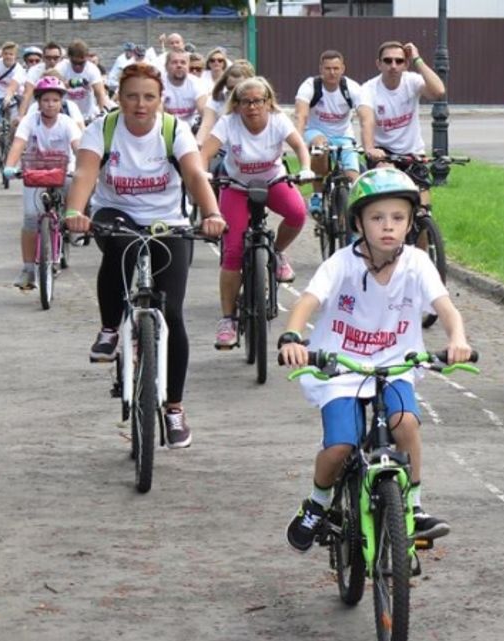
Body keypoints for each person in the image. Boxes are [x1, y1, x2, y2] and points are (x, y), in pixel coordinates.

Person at [277, 167, 472, 551]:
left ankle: (413, 508)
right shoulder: (342, 264)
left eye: (398, 218)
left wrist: (458, 338)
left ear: (410, 222)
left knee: (406, 424)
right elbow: (308, 301)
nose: (388, 227)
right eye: (377, 218)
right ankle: (317, 503)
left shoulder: (417, 262)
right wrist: (292, 336)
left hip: (395, 364)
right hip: (341, 368)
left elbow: (445, 306)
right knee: (341, 446)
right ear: (358, 223)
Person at [63, 62, 226, 448]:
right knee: (119, 245)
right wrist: (75, 212)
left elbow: (194, 175)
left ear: (160, 100)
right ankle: (109, 328)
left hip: (167, 221)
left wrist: (213, 214)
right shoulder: (102, 129)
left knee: (171, 314)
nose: (140, 104)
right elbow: (85, 174)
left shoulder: (174, 130)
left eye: (149, 97)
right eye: (132, 96)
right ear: (119, 97)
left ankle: (173, 408)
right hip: (114, 214)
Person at [201, 76, 313, 348]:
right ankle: (228, 319)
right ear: (237, 105)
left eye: (258, 101)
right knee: (233, 251)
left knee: (298, 213)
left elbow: (299, 146)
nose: (253, 107)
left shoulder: (278, 120)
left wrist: (305, 167)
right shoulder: (228, 123)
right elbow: (205, 153)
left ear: (268, 102)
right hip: (236, 186)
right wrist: (203, 172)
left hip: (272, 180)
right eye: (246, 102)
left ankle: (276, 251)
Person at [1, 77, 80, 290]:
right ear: (38, 101)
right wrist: (9, 166)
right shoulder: (30, 120)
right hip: (35, 173)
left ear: (61, 102)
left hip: (64, 171)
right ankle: (28, 268)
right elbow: (18, 144)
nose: (51, 104)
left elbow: (78, 147)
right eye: (46, 100)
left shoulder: (67, 123)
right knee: (29, 218)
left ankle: (71, 224)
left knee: (74, 190)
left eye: (55, 100)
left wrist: (83, 167)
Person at [361, 40, 445, 206]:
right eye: (388, 61)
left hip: (412, 152)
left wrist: (417, 59)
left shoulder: (412, 81)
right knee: (391, 197)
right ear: (379, 64)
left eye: (399, 61)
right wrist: (370, 149)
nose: (393, 65)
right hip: (383, 153)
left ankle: (423, 227)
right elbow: (366, 121)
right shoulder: (368, 89)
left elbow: (439, 91)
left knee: (423, 208)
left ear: (406, 64)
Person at [293, 50, 368, 216]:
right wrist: (298, 142)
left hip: (343, 134)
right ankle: (318, 195)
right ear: (321, 69)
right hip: (315, 131)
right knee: (321, 147)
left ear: (343, 69)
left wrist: (369, 144)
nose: (332, 72)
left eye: (336, 68)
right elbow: (301, 115)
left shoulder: (352, 88)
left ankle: (353, 216)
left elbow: (366, 117)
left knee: (352, 176)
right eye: (328, 68)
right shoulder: (310, 86)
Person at [195, 60, 254, 147]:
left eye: (240, 88)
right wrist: (198, 144)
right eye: (231, 88)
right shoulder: (216, 100)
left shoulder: (257, 102)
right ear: (225, 85)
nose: (234, 93)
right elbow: (206, 126)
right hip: (222, 149)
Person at [54, 40, 114, 123]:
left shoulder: (92, 69)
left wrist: (103, 114)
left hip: (87, 116)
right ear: (69, 57)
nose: (78, 66)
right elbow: (53, 89)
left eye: (81, 63)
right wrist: (71, 83)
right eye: (74, 63)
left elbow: (100, 94)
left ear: (86, 57)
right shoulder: (61, 68)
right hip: (66, 117)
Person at [0, 41, 26, 170]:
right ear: (2, 54)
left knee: (16, 125)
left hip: (11, 98)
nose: (8, 56)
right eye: (5, 53)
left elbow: (12, 87)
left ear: (15, 56)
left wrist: (7, 97)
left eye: (11, 54)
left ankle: (11, 149)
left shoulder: (19, 70)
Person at [161, 50, 207, 130]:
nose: (179, 65)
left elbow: (204, 111)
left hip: (191, 125)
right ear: (166, 66)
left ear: (188, 66)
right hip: (166, 124)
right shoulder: (159, 83)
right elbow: (157, 112)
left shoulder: (197, 83)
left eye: (183, 62)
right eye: (174, 62)